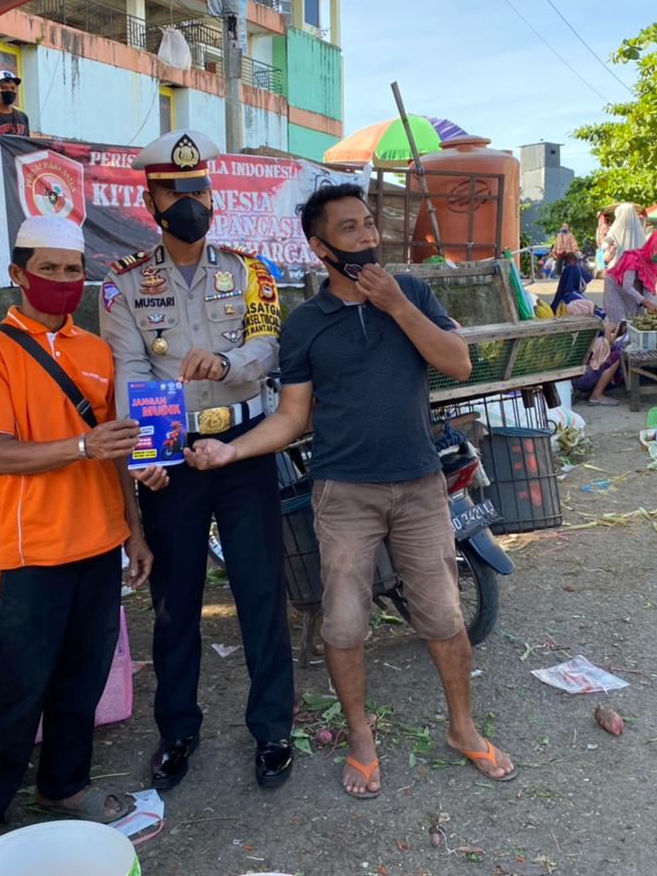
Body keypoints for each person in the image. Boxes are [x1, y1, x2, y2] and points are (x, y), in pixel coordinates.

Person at [185, 183, 517, 798]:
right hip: (343, 494)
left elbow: (458, 363)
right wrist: (232, 449)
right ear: (320, 248)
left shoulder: (411, 291)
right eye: (349, 229)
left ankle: (463, 728)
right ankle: (361, 739)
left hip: (419, 485)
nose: (366, 236)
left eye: (368, 224)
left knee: (444, 615)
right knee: (342, 624)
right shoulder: (305, 325)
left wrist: (397, 305)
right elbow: (292, 417)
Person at [0, 216, 168, 875]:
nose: (63, 281)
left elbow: (114, 450)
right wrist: (81, 445)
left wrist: (134, 529)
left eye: (73, 271)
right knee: (18, 689)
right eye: (49, 269)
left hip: (100, 544)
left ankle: (64, 785)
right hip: (35, 549)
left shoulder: (95, 350)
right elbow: (2, 455)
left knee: (84, 678)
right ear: (18, 274)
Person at [98, 129, 295, 793]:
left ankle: (273, 729)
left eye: (200, 190)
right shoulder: (124, 283)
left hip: (243, 447)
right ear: (150, 201)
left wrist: (229, 363)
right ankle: (178, 729)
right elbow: (129, 372)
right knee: (175, 600)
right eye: (176, 192)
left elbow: (269, 347)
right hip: (172, 457)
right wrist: (144, 457)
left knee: (260, 591)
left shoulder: (250, 272)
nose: (192, 203)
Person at [602, 228, 657, 328]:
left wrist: (649, 305)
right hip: (616, 284)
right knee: (618, 321)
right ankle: (612, 336)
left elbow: (648, 287)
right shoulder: (633, 258)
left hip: (634, 286)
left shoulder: (654, 264)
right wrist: (646, 302)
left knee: (637, 319)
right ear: (653, 249)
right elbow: (627, 286)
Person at [571, 325, 623, 406]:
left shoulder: (577, 336)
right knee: (615, 357)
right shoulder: (596, 340)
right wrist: (608, 331)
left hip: (569, 379)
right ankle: (596, 395)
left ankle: (589, 392)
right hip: (581, 379)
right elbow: (607, 350)